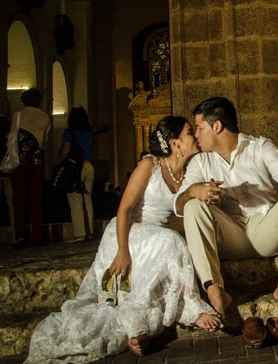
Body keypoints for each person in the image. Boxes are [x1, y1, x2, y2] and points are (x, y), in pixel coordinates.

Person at [27, 116, 221, 363]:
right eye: (188, 132)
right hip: (127, 233)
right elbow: (124, 209)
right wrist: (122, 251)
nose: (194, 135)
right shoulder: (149, 165)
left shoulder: (188, 172)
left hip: (155, 240)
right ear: (175, 143)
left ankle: (142, 331)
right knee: (172, 241)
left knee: (168, 247)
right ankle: (191, 310)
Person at [174, 97, 278, 330]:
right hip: (228, 236)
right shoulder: (199, 163)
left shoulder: (259, 147)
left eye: (200, 128)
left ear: (217, 127)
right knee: (193, 205)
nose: (196, 135)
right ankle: (215, 290)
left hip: (266, 232)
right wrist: (194, 190)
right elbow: (179, 206)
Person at [10, 88, 51, 248]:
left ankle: (20, 237)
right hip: (37, 162)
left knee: (19, 200)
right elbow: (45, 140)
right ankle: (37, 236)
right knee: (36, 199)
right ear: (39, 101)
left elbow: (12, 137)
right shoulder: (45, 118)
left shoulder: (18, 116)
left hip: (20, 162)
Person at [58, 107, 95, 242]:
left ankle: (80, 233)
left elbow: (66, 150)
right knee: (88, 200)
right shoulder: (89, 132)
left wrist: (59, 163)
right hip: (89, 165)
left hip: (75, 168)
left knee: (75, 201)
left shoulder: (69, 133)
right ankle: (90, 231)